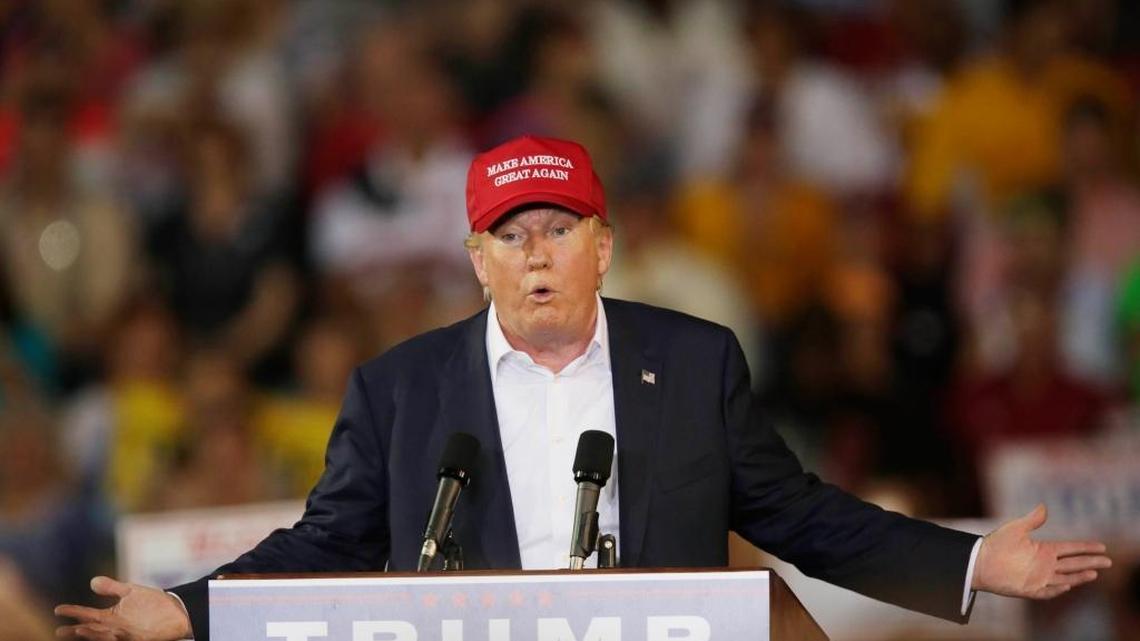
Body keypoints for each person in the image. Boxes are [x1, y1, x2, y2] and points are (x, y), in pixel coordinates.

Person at [56, 135, 1111, 641]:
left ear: (605, 246)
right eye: (509, 238)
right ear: (476, 260)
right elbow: (324, 542)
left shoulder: (694, 363)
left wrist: (973, 560)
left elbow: (800, 516)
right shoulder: (401, 388)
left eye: (558, 229)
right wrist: (186, 613)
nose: (535, 255)